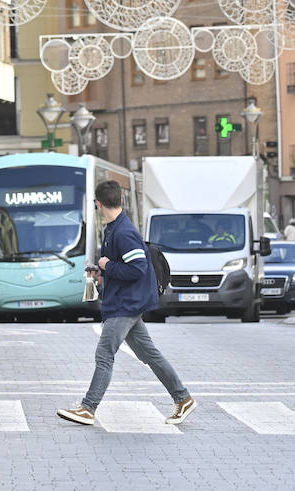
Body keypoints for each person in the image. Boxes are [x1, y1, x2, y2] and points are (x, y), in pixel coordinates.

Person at [58, 180, 195, 427]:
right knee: (149, 354)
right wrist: (103, 271)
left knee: (104, 354)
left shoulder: (123, 232)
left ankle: (88, 408)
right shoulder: (114, 228)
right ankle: (182, 398)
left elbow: (138, 268)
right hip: (127, 301)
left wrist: (106, 265)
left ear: (99, 204)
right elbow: (126, 266)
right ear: (119, 200)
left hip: (126, 305)